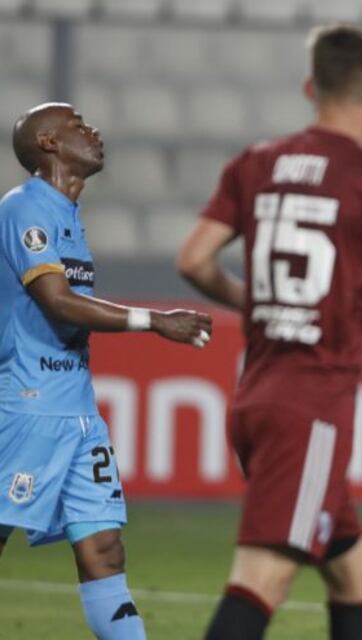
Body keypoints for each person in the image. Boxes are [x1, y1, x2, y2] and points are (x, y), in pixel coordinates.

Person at [177, 24, 362, 640]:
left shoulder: (256, 163)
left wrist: (253, 302)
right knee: (262, 577)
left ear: (308, 85)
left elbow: (193, 260)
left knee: (353, 571)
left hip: (256, 393)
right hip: (312, 406)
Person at [0, 102, 213, 639]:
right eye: (76, 124)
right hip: (23, 406)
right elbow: (57, 301)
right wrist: (154, 322)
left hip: (77, 414)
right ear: (48, 143)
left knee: (104, 551)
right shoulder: (25, 207)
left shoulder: (67, 216)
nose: (92, 130)